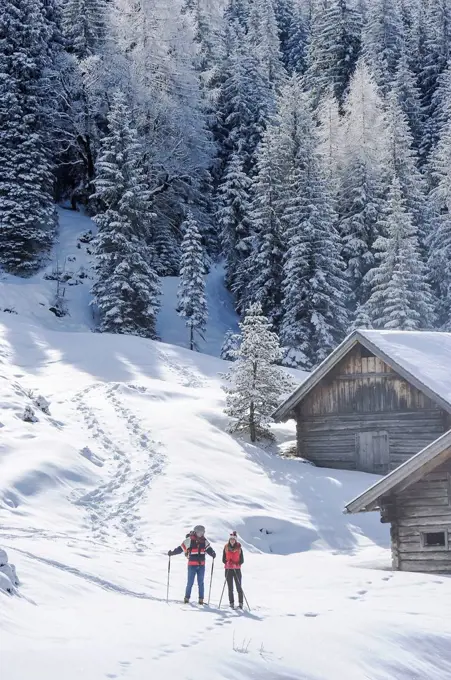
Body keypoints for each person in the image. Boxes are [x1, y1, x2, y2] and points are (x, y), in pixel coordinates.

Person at [168, 524, 216, 604]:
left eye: (202, 532)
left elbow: (209, 549)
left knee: (201, 582)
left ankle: (201, 600)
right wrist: (172, 553)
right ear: (196, 532)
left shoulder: (204, 541)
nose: (201, 534)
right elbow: (181, 549)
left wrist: (213, 553)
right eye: (199, 532)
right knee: (190, 582)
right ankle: (186, 598)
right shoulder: (189, 540)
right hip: (192, 565)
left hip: (201, 566)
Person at [222, 531, 244, 609]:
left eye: (233, 539)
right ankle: (231, 603)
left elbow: (242, 560)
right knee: (230, 588)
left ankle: (240, 603)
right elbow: (223, 559)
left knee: (238, 587)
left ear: (235, 540)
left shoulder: (239, 548)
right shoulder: (226, 547)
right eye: (231, 539)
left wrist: (236, 564)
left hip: (237, 570)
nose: (232, 540)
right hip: (228, 569)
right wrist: (227, 563)